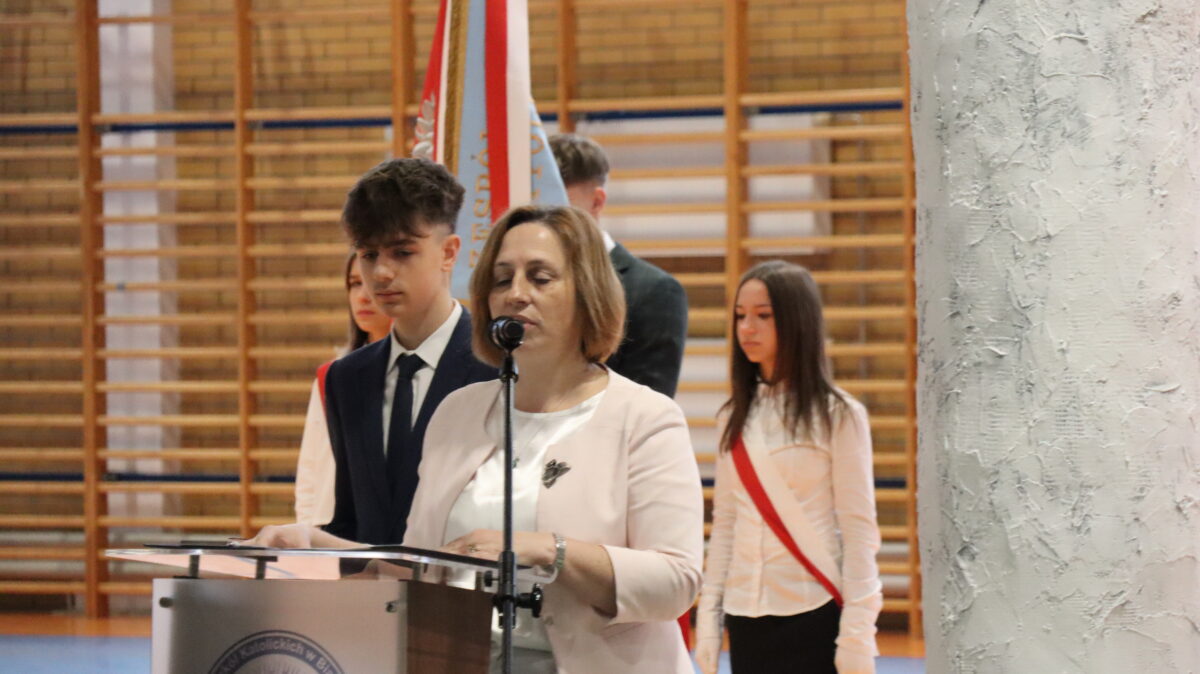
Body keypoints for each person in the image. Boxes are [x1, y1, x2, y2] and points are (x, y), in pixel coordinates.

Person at [401, 204, 704, 673]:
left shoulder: (646, 418)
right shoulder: (455, 414)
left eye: (540, 278)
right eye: (502, 280)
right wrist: (330, 550)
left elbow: (676, 581)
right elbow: (416, 565)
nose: (516, 294)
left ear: (587, 293)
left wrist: (550, 551)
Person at [249, 158, 496, 548]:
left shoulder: (498, 367)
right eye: (368, 254)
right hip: (373, 587)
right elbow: (353, 526)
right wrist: (304, 540)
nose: (380, 273)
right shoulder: (347, 378)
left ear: (449, 253)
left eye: (402, 252)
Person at [694, 261, 883, 674]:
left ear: (797, 321)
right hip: (745, 614)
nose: (747, 328)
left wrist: (857, 635)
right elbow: (726, 524)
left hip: (814, 609)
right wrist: (708, 620)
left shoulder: (839, 415)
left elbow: (859, 532)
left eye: (763, 315)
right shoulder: (732, 416)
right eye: (740, 316)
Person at [549, 133, 689, 398]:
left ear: (597, 202)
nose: (547, 219)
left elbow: (649, 405)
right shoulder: (521, 286)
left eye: (560, 207)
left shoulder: (654, 291)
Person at [293, 251, 392, 527]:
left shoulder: (416, 372)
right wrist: (308, 531)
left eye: (371, 283)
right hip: (329, 529)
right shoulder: (332, 375)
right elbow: (311, 472)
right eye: (355, 284)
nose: (362, 296)